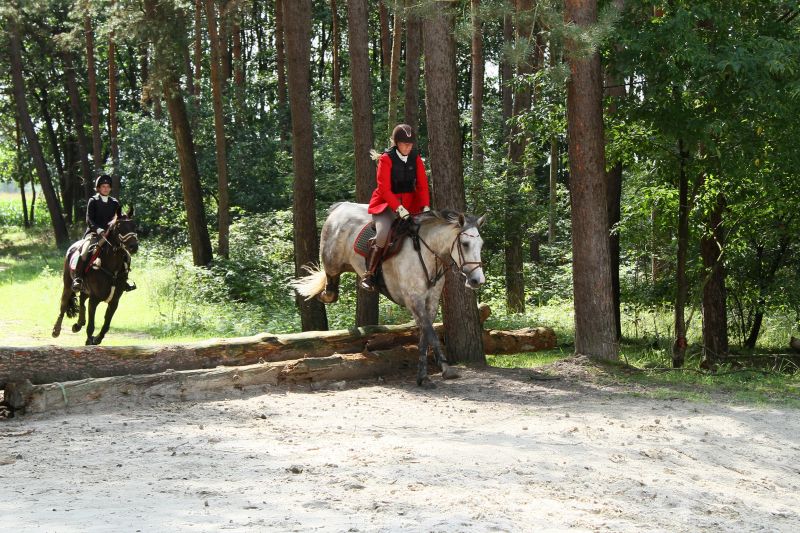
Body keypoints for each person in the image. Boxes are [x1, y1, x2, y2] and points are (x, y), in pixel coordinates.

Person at [361, 124, 431, 291]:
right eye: (405, 144)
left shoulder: (416, 158)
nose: (408, 147)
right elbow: (384, 189)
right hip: (386, 205)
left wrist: (425, 206)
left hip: (411, 204)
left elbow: (422, 185)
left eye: (410, 144)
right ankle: (369, 274)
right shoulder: (386, 159)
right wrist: (398, 209)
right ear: (396, 143)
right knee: (383, 234)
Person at [72, 174, 128, 292]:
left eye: (108, 186)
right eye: (103, 186)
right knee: (84, 252)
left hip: (111, 235)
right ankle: (78, 278)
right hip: (94, 234)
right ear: (98, 188)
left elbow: (118, 218)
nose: (106, 189)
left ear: (110, 188)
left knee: (125, 254)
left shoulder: (114, 202)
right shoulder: (93, 201)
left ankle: (124, 279)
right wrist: (99, 230)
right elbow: (89, 220)